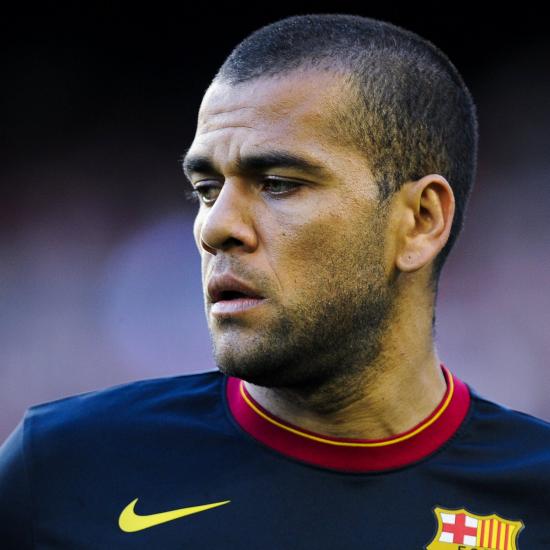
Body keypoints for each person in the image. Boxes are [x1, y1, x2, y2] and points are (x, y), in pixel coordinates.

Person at [0, 13, 548, 549]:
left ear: (420, 221)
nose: (215, 228)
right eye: (207, 190)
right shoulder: (62, 470)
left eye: (278, 183)